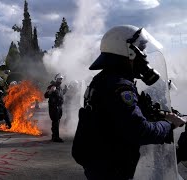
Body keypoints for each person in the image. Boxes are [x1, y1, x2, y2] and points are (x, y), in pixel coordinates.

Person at [72, 25, 186, 180]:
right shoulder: (120, 87)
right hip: (111, 168)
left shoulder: (105, 79)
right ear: (130, 51)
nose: (145, 55)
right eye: (142, 49)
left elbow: (114, 117)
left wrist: (158, 113)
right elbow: (140, 131)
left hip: (100, 162)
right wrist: (169, 124)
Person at [44, 73, 68, 142]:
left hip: (59, 107)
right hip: (54, 107)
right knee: (55, 121)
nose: (60, 80)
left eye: (61, 79)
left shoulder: (59, 87)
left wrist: (65, 90)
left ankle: (54, 136)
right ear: (56, 79)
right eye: (59, 79)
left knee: (57, 121)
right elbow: (45, 95)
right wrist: (51, 91)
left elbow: (60, 95)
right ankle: (56, 137)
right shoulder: (52, 86)